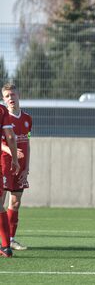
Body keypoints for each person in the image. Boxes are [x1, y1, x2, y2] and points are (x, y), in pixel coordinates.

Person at [1, 83, 30, 252]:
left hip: (21, 166)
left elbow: (28, 142)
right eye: (7, 96)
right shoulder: (4, 117)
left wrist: (27, 166)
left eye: (13, 95)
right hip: (4, 164)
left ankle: (11, 239)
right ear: (4, 100)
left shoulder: (27, 118)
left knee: (16, 202)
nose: (11, 98)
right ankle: (3, 241)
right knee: (1, 202)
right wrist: (11, 152)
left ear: (18, 95)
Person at [0, 83, 20, 257]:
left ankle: (6, 244)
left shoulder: (26, 118)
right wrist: (14, 157)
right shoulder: (2, 111)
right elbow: (10, 137)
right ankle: (6, 246)